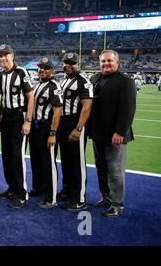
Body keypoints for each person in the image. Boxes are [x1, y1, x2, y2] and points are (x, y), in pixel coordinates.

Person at [89, 50, 136, 217]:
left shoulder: (126, 81)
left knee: (115, 170)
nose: (106, 64)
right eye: (103, 61)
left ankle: (117, 204)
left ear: (117, 62)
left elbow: (128, 109)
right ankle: (106, 197)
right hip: (97, 133)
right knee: (100, 167)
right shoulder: (94, 78)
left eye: (109, 61)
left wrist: (120, 132)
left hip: (115, 135)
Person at [0, 44, 34, 209]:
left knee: (17, 156)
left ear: (12, 55)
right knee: (6, 155)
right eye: (0, 55)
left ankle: (22, 193)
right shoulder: (1, 75)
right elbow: (3, 99)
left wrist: (28, 120)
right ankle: (11, 188)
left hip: (19, 116)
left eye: (6, 55)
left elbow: (31, 97)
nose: (3, 58)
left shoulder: (21, 73)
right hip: (6, 117)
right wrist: (0, 118)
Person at [58, 52, 93, 210]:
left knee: (77, 161)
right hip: (63, 123)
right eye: (66, 62)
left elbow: (87, 106)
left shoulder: (83, 81)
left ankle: (79, 197)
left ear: (78, 64)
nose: (68, 65)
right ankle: (67, 189)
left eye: (72, 63)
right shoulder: (64, 80)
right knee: (65, 159)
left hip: (75, 122)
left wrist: (79, 128)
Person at [29, 57, 63, 209]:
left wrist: (53, 133)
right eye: (41, 67)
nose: (42, 70)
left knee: (48, 162)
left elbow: (57, 112)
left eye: (46, 68)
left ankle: (51, 196)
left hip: (45, 128)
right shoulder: (37, 84)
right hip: (35, 128)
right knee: (36, 160)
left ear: (52, 70)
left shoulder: (54, 86)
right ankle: (38, 188)